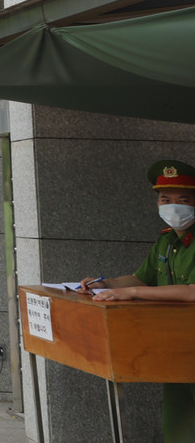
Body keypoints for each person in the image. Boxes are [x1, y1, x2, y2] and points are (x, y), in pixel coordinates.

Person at [79, 160, 195, 440]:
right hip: (177, 345)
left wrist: (129, 293)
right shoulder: (167, 241)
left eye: (183, 200)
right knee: (179, 424)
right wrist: (104, 284)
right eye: (165, 199)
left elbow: (192, 291)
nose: (172, 206)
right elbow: (142, 279)